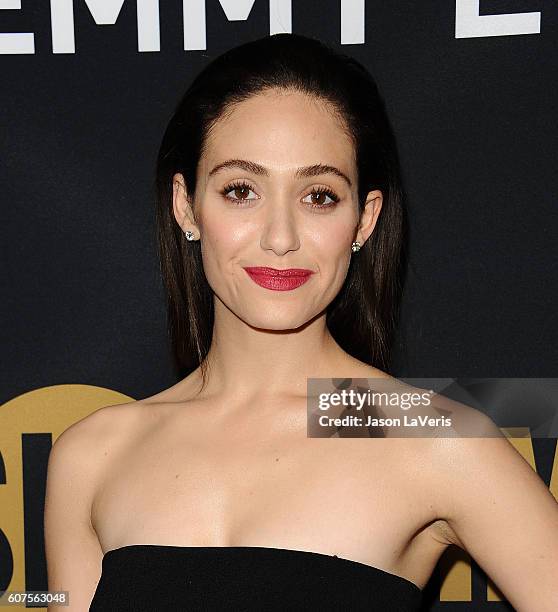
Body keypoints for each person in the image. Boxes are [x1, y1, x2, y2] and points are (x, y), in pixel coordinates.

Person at [44, 33, 558, 611]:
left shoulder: (428, 436)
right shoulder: (94, 453)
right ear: (186, 206)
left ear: (365, 221)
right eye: (241, 190)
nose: (280, 238)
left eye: (319, 196)